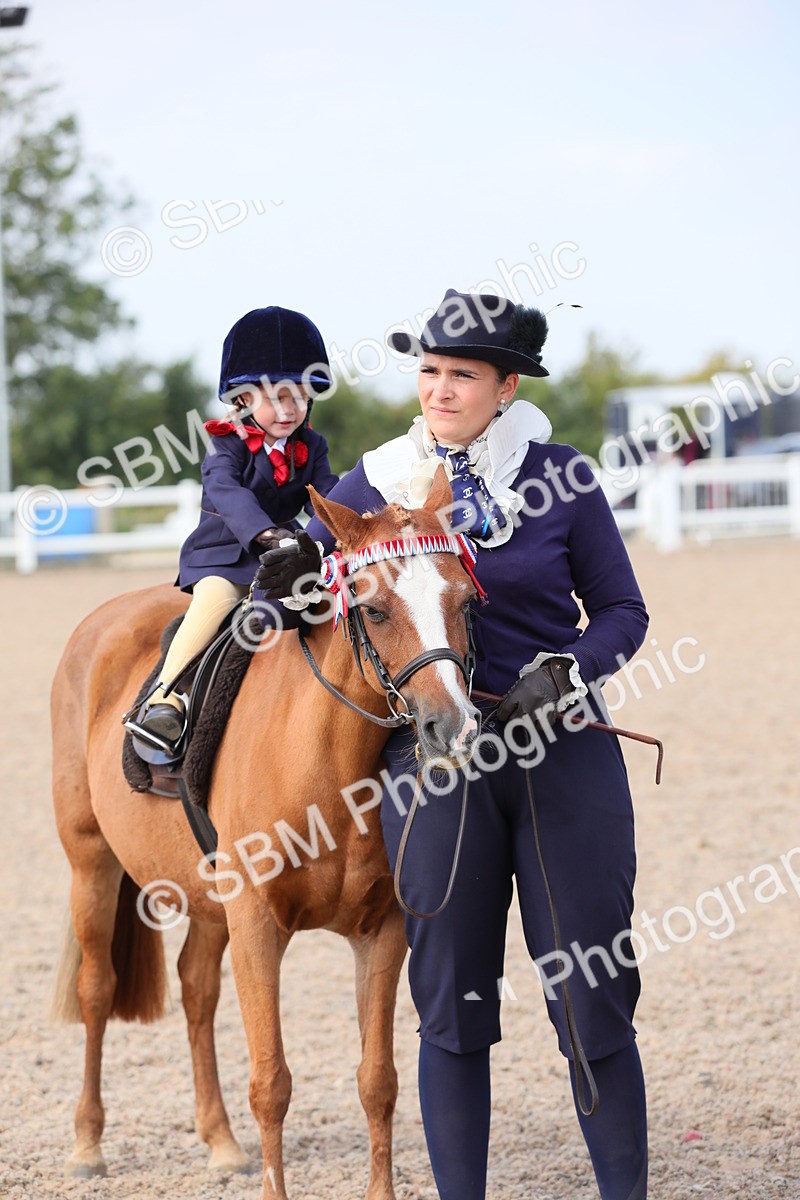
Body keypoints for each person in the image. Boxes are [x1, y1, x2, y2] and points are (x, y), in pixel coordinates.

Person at [257, 289, 649, 1199]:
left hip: (560, 750)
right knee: (451, 1007)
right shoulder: (378, 478)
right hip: (432, 766)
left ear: (506, 387)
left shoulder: (563, 478)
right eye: (429, 371)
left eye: (462, 375)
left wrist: (572, 668)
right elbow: (306, 588)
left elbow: (624, 610)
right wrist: (280, 567)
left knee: (591, 998)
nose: (439, 389)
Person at [128, 305, 339, 749]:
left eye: (299, 396)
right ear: (243, 398)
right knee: (214, 604)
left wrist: (349, 524)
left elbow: (328, 495)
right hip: (225, 555)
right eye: (276, 397)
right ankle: (165, 702)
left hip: (283, 555)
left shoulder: (312, 445)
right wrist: (266, 534)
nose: (289, 409)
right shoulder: (226, 441)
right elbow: (227, 491)